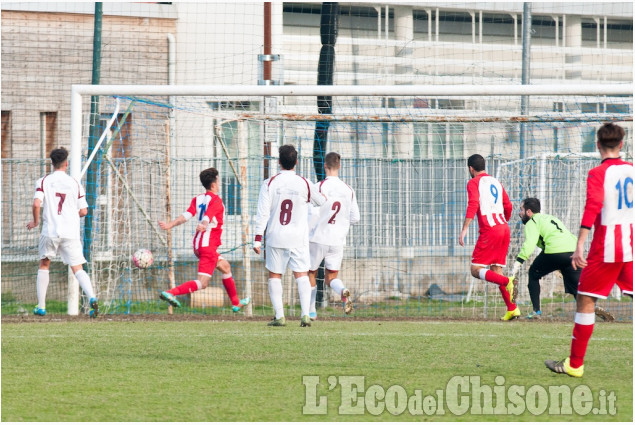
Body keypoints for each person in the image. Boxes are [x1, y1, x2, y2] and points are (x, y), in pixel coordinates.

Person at [546, 123, 633, 378]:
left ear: (597, 146)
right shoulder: (632, 170)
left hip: (606, 249)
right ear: (621, 145)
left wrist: (580, 244)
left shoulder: (597, 173)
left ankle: (575, 364)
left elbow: (593, 205)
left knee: (585, 300)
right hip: (630, 246)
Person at [253, 145, 326, 327]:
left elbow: (262, 213)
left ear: (279, 162)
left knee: (275, 275)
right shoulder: (304, 182)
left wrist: (257, 238)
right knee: (301, 274)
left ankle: (279, 316)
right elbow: (322, 201)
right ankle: (305, 315)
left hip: (275, 236)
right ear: (296, 162)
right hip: (298, 238)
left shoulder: (270, 183)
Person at [158, 168, 250, 312]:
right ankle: (171, 293)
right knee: (203, 283)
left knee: (225, 267)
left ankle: (235, 302)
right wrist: (204, 224)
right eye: (218, 180)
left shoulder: (198, 199)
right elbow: (208, 215)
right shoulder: (216, 200)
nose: (219, 183)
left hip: (199, 244)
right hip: (208, 246)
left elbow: (186, 215)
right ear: (214, 184)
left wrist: (170, 224)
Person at [511, 197, 614, 321]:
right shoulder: (550, 218)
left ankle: (536, 311)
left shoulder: (532, 222)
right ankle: (591, 307)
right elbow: (562, 236)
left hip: (555, 251)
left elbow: (529, 244)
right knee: (576, 287)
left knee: (533, 273)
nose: (519, 213)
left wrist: (518, 262)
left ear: (529, 212)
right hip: (573, 251)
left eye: (521, 209)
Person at [26, 147, 99, 317]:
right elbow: (84, 211)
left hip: (50, 230)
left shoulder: (43, 181)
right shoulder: (74, 183)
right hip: (70, 233)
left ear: (52, 163)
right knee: (78, 268)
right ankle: (92, 297)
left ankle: (41, 306)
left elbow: (37, 204)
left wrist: (36, 222)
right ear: (66, 163)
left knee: (44, 264)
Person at [459, 154, 518, 321]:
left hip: (490, 230)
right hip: (503, 228)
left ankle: (509, 281)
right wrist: (503, 221)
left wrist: (464, 229)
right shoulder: (495, 181)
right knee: (496, 271)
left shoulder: (473, 182)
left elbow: (473, 204)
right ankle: (512, 309)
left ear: (471, 169)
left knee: (475, 270)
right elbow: (508, 205)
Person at [307, 152, 360, 319]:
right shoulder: (348, 189)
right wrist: (341, 223)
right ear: (339, 166)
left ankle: (311, 311)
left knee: (310, 273)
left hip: (318, 238)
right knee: (331, 277)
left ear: (325, 166)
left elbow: (310, 213)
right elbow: (355, 218)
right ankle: (343, 291)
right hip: (337, 240)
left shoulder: (319, 187)